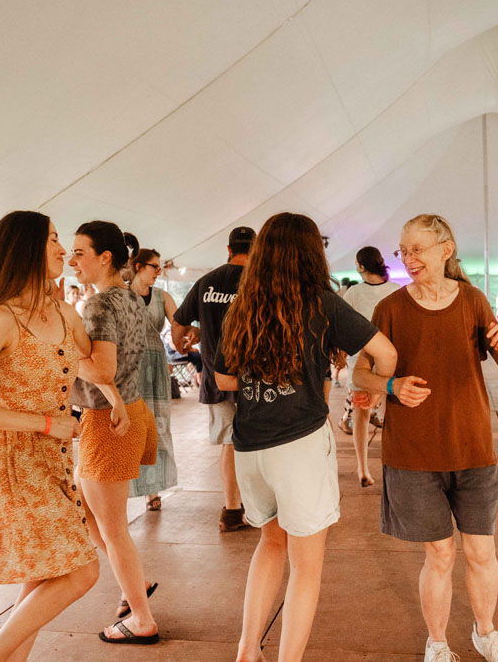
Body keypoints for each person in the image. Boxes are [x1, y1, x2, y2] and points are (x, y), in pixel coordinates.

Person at [0, 211, 115, 661]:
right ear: (26, 248)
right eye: (52, 239)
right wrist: (47, 424)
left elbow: (93, 366)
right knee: (81, 572)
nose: (62, 250)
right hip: (12, 462)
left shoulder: (64, 313)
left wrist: (119, 402)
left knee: (42, 572)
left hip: (54, 460)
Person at [213, 212, 395, 662]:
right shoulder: (321, 302)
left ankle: (247, 649)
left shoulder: (243, 306)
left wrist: (265, 375)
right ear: (312, 253)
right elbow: (385, 353)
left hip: (250, 446)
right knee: (307, 566)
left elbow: (223, 378)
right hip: (299, 445)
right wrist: (374, 390)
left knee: (270, 544)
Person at [351, 213, 498, 662]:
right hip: (414, 452)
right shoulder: (390, 308)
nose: (408, 259)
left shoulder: (473, 300)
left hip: (472, 446)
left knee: (481, 551)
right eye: (403, 251)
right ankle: (438, 643)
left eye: (417, 250)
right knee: (440, 555)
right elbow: (361, 372)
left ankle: (486, 633)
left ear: (446, 249)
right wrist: (391, 385)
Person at [68, 220, 161, 645]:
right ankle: (135, 586)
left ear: (105, 257)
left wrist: (61, 351)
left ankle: (141, 618)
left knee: (112, 528)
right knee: (89, 515)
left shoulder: (100, 304)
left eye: (80, 253)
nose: (72, 261)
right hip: (126, 412)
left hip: (108, 420)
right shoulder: (129, 298)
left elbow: (103, 369)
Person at [171, 226, 255, 532]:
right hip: (254, 377)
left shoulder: (207, 281)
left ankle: (231, 510)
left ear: (229, 250)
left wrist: (184, 344)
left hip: (216, 376)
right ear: (255, 250)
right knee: (260, 441)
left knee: (229, 442)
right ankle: (258, 508)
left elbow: (179, 323)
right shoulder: (260, 280)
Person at [336, 246, 400, 486]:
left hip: (360, 361)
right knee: (390, 414)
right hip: (390, 359)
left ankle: (363, 469)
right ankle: (393, 466)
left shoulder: (354, 293)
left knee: (360, 415)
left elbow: (343, 326)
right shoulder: (396, 290)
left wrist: (341, 354)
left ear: (361, 266)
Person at [127, 248, 179, 511]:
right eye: (154, 266)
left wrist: (189, 336)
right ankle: (127, 487)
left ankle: (153, 490)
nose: (159, 272)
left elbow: (178, 325)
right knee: (133, 426)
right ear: (138, 266)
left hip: (156, 364)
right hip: (130, 365)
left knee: (157, 426)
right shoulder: (122, 295)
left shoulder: (162, 296)